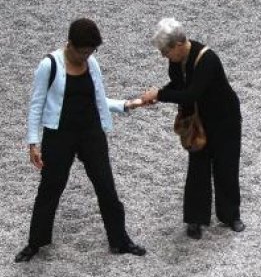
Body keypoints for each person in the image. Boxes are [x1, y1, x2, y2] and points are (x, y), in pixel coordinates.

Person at [15, 18, 147, 263]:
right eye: (84, 51)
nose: (87, 56)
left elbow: (98, 99)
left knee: (106, 186)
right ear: (70, 44)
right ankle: (36, 242)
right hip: (59, 135)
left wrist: (126, 105)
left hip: (91, 134)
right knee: (50, 188)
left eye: (91, 51)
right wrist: (33, 143)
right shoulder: (49, 65)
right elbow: (36, 105)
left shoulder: (92, 63)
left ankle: (120, 240)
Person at [141, 17, 244, 240]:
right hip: (200, 120)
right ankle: (195, 219)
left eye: (165, 51)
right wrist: (160, 94)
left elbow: (191, 93)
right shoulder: (176, 61)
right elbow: (179, 86)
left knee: (226, 166)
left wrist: (159, 94)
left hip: (224, 120)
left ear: (178, 45)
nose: (163, 56)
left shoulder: (208, 60)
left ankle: (230, 215)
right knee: (197, 168)